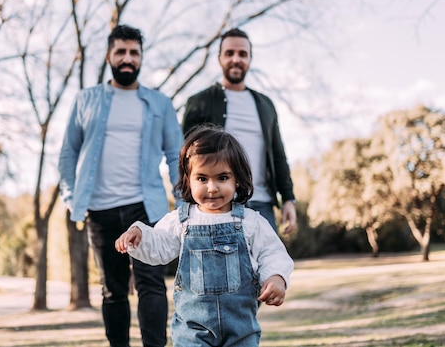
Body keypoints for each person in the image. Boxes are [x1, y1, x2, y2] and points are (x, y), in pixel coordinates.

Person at [58, 25, 183, 347]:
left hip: (147, 206)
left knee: (151, 285)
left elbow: (176, 155)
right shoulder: (86, 99)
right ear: (109, 56)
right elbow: (69, 152)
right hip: (99, 209)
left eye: (134, 53)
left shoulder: (160, 103)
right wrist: (74, 200)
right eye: (121, 52)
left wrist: (184, 203)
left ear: (141, 57)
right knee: (112, 290)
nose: (127, 59)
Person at [115, 125, 294, 347]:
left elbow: (272, 253)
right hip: (193, 330)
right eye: (202, 178)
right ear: (188, 180)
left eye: (222, 177)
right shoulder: (180, 221)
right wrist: (140, 234)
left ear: (236, 179)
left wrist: (276, 277)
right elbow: (159, 246)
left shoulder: (250, 222)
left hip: (241, 328)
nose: (212, 187)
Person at [181, 27, 297, 234]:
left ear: (250, 59)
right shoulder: (199, 102)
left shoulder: (265, 105)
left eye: (242, 54)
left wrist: (288, 198)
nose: (236, 59)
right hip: (217, 206)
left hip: (262, 205)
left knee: (270, 265)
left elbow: (278, 155)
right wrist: (186, 203)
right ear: (219, 58)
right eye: (230, 53)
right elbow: (184, 158)